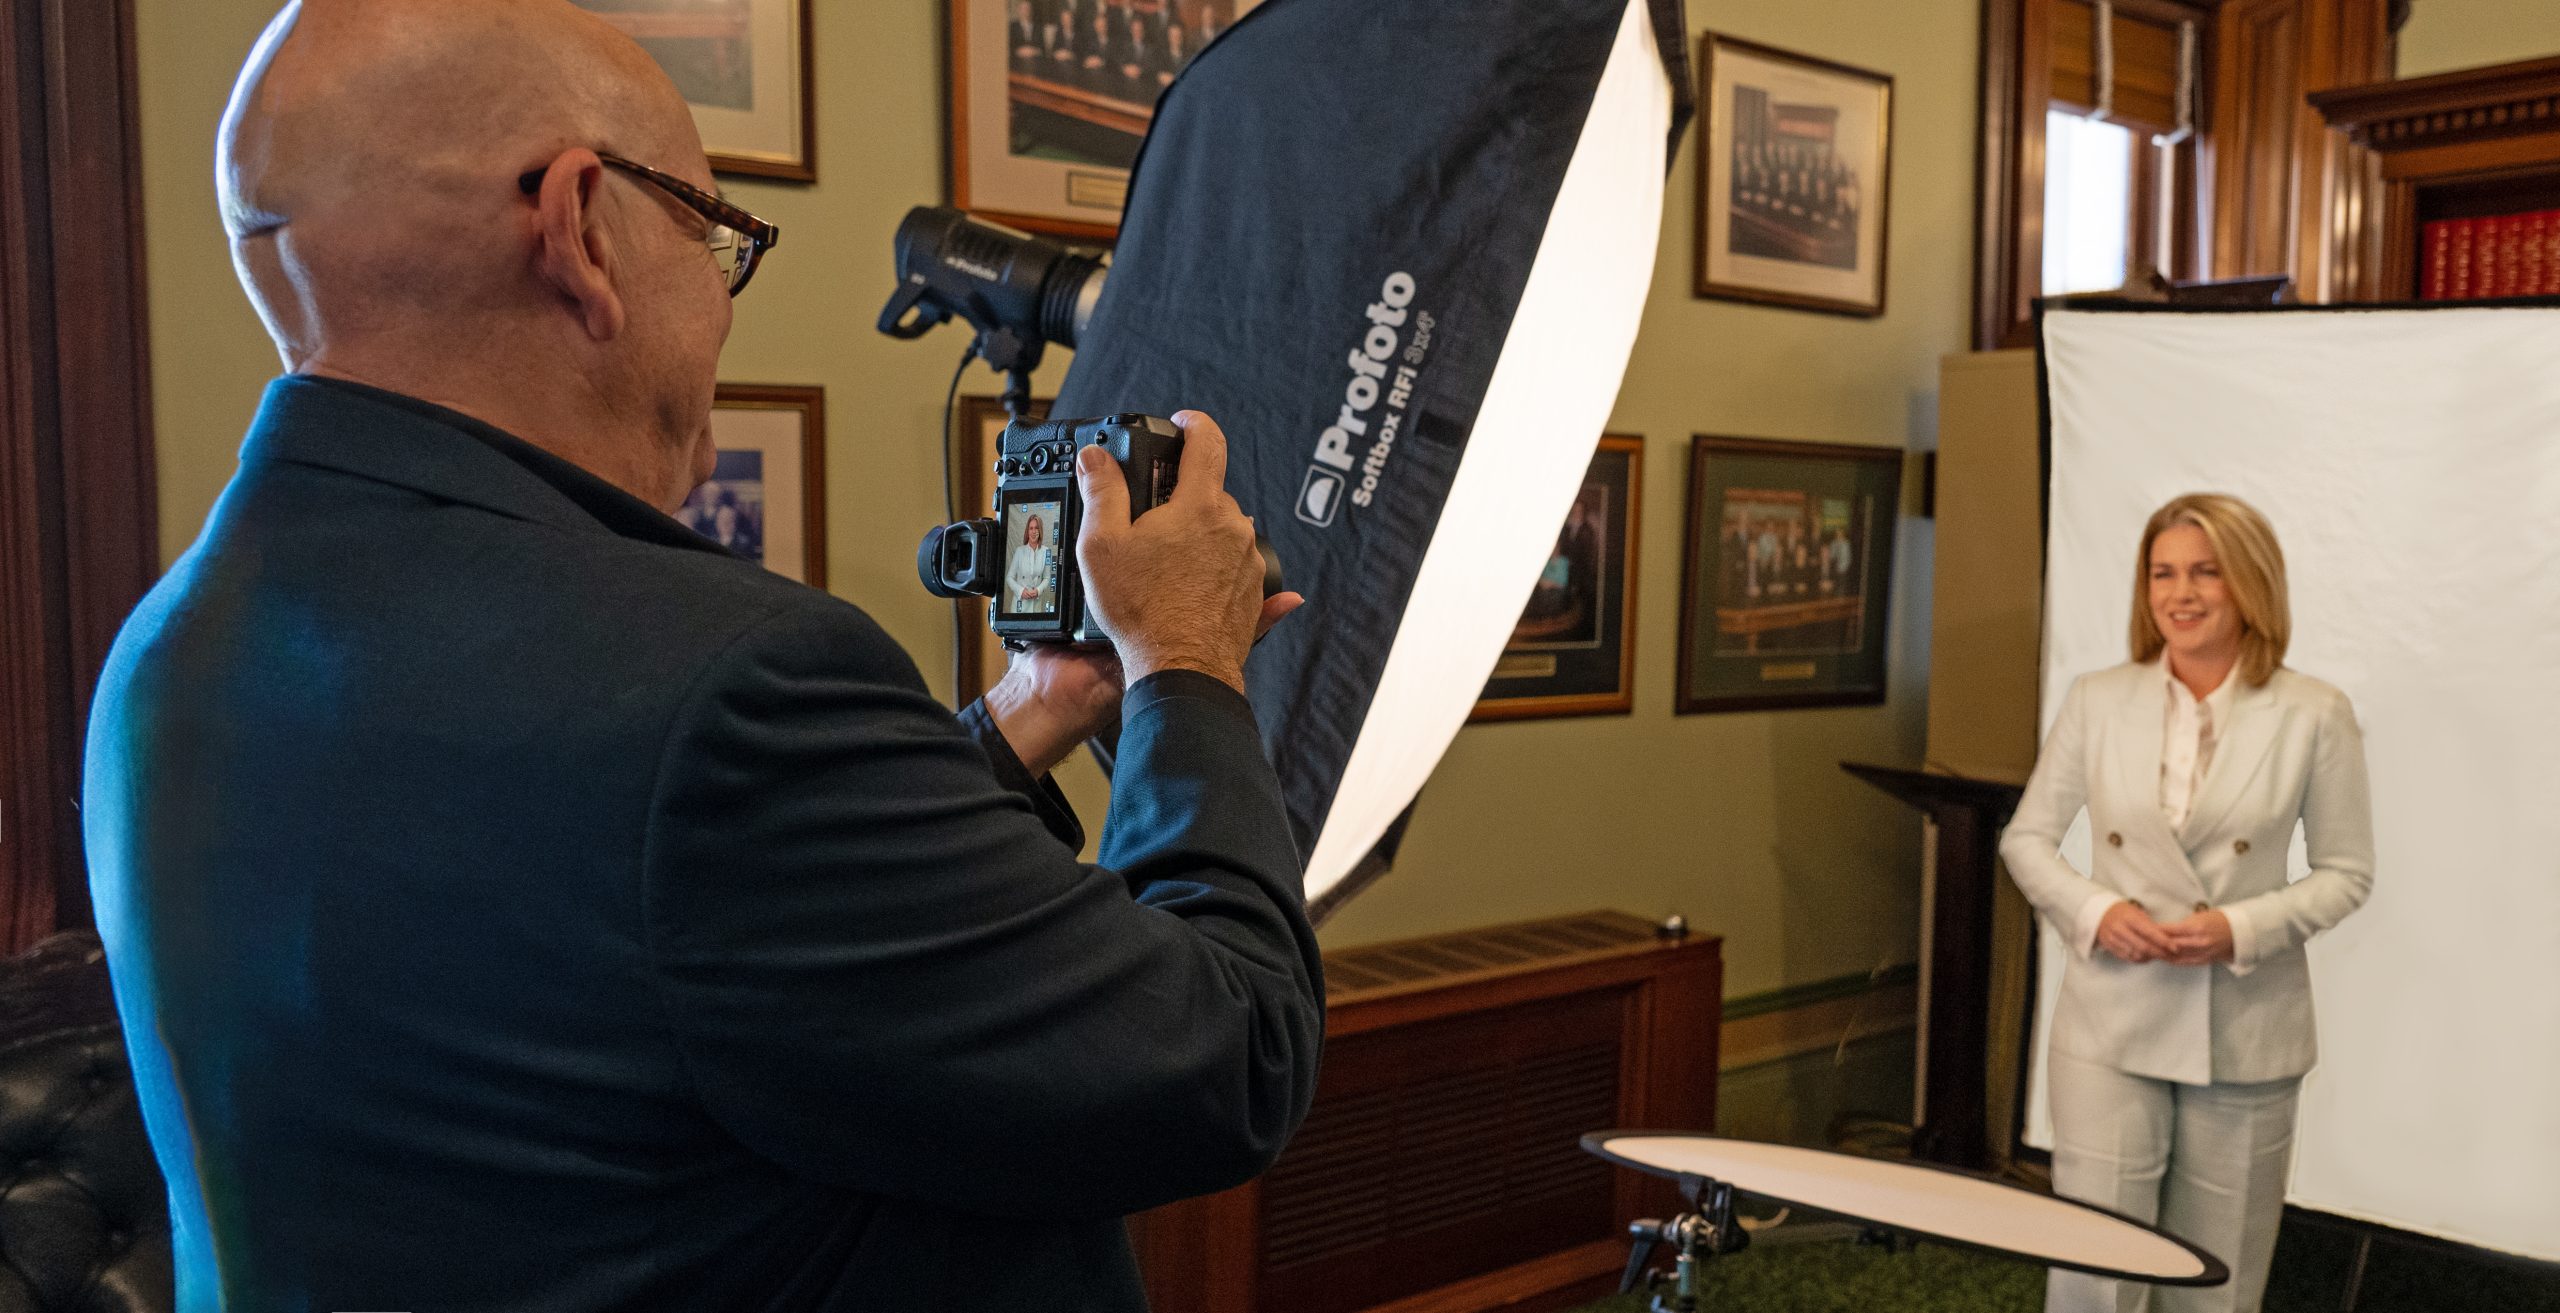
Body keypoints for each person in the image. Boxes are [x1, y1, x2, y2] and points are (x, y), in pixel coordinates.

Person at [80, 2, 1321, 1310]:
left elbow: (623, 922)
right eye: (715, 233)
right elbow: (1228, 1057)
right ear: (579, 226)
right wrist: (1187, 655)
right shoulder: (724, 682)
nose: (725, 314)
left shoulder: (169, 655)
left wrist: (1016, 718)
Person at [2000, 493, 2374, 1313]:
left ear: (2251, 584)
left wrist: (2237, 927)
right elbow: (2027, 840)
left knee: (2220, 1276)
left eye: (2207, 571)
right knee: (2098, 1265)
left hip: (2246, 1024)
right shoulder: (2099, 698)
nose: (2182, 591)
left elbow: (2347, 871)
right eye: (2163, 572)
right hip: (2110, 1020)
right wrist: (2097, 910)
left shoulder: (2315, 712)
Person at [1006, 510, 1056, 612]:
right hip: (1019, 607)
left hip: (1035, 607)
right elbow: (1009, 578)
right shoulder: (1019, 551)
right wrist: (1021, 591)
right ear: (1027, 531)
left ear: (1040, 530)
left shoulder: (1046, 551)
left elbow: (1047, 578)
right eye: (1031, 528)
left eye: (1037, 528)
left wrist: (1038, 590)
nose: (1034, 531)